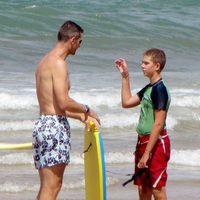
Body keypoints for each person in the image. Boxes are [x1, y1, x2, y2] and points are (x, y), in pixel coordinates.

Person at [32, 20, 100, 200]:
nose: (79, 46)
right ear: (73, 40)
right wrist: (87, 109)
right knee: (53, 187)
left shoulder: (43, 63)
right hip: (55, 129)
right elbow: (63, 102)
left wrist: (80, 116)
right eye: (80, 42)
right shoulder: (59, 63)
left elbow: (53, 106)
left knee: (46, 186)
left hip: (42, 125)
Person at [115, 48, 171, 200]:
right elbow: (126, 102)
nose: (142, 66)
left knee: (157, 188)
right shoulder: (149, 88)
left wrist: (147, 153)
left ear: (157, 66)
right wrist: (125, 76)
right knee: (143, 188)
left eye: (146, 63)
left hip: (156, 144)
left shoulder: (160, 90)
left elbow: (158, 124)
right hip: (143, 141)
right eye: (142, 62)